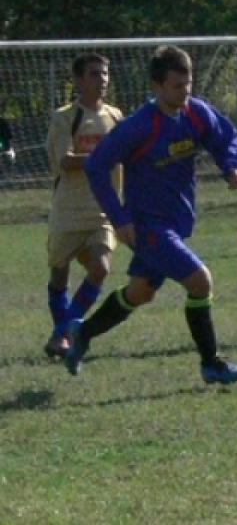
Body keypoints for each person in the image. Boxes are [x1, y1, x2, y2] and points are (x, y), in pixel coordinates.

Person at [67, 45, 237, 385]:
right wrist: (119, 218)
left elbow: (224, 137)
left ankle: (83, 333)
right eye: (177, 86)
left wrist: (231, 166)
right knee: (200, 281)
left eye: (188, 84)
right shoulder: (139, 126)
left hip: (176, 222)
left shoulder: (196, 113)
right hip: (148, 227)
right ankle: (211, 363)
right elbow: (96, 166)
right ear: (157, 86)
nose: (185, 92)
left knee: (141, 292)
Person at [42, 53, 124, 358]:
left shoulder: (116, 116)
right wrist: (101, 158)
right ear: (78, 81)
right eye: (94, 74)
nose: (102, 79)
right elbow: (65, 161)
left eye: (104, 73)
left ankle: (63, 333)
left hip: (102, 210)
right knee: (59, 275)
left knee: (101, 268)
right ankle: (62, 333)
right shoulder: (65, 117)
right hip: (68, 210)